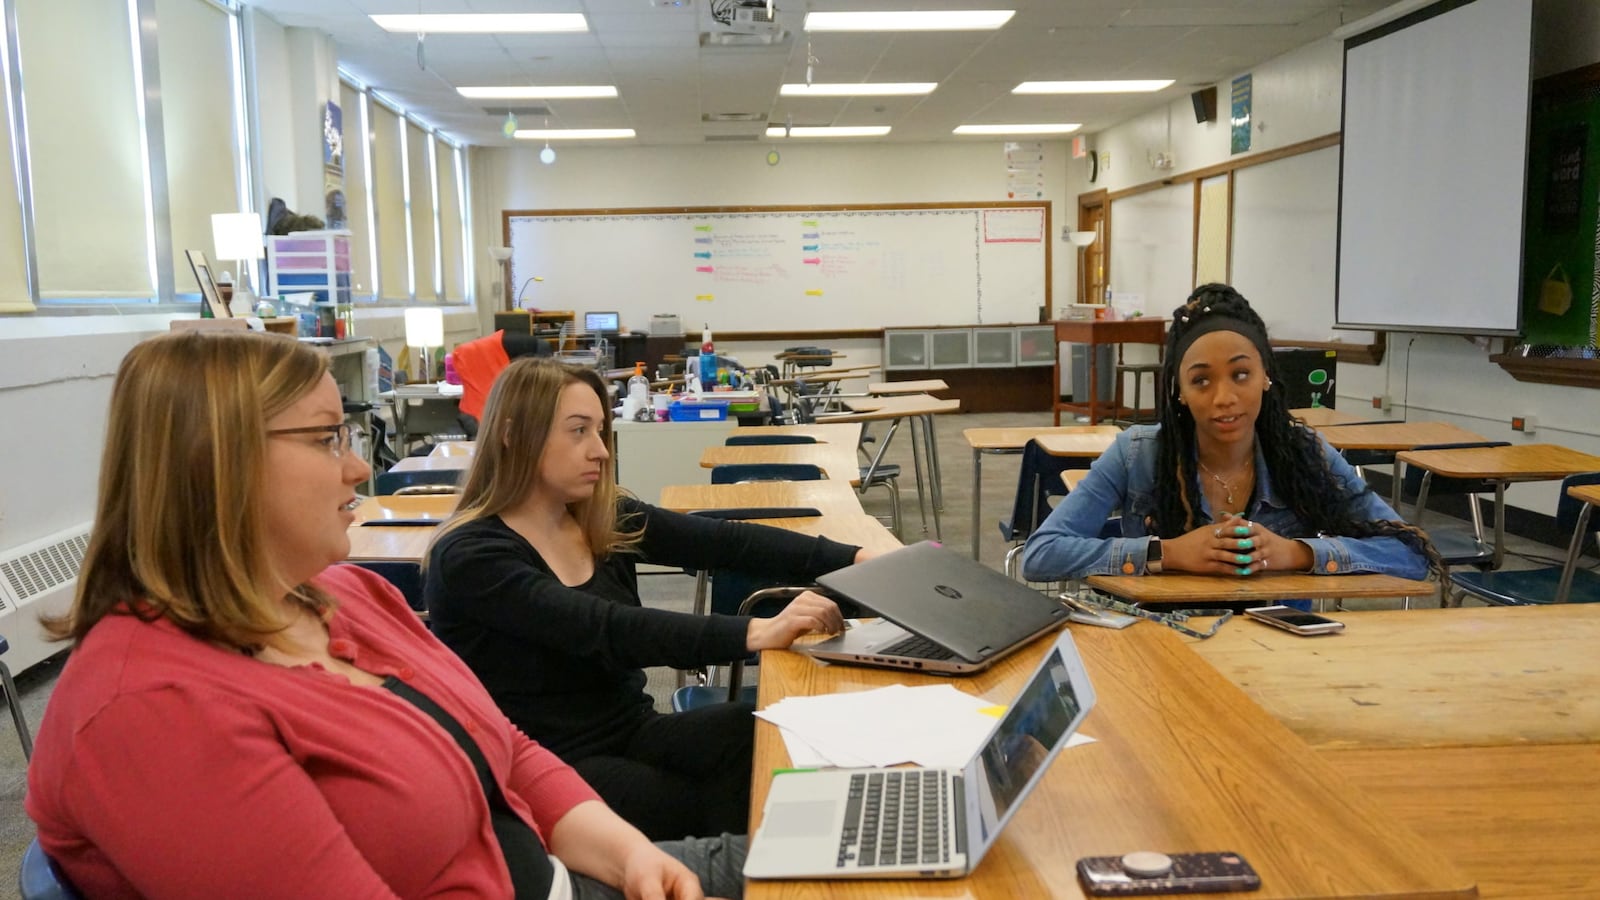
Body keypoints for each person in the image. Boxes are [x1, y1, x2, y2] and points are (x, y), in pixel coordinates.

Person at [26, 330, 743, 900]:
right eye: (325, 439)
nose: (358, 468)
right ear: (216, 462)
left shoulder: (348, 596)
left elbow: (507, 747)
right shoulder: (152, 711)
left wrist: (629, 857)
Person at [425, 357, 871, 841]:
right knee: (708, 802)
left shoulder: (597, 515)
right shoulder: (472, 556)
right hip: (542, 764)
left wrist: (855, 557)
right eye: (578, 432)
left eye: (600, 431)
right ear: (512, 435)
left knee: (760, 737)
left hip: (629, 729)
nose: (599, 450)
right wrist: (755, 632)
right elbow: (607, 629)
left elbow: (722, 542)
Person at [1022, 284, 1442, 593]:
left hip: (1278, 655)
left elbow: (1410, 553)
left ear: (1265, 377)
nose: (1224, 398)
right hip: (1165, 646)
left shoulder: (1302, 453)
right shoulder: (1139, 454)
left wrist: (1297, 554)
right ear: (1180, 393)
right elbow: (1040, 554)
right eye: (1201, 380)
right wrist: (1166, 553)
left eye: (1241, 375)